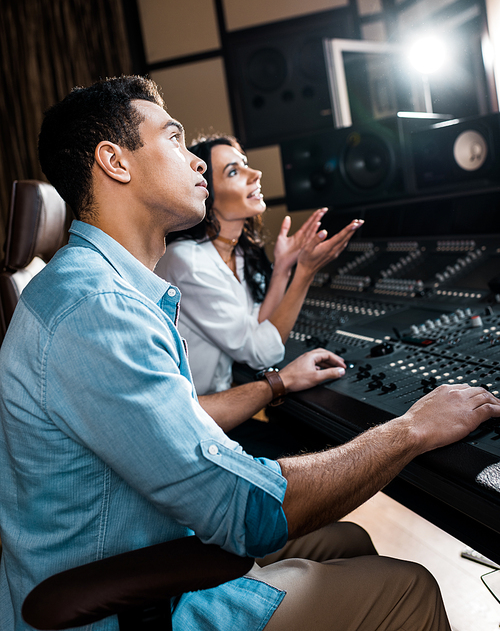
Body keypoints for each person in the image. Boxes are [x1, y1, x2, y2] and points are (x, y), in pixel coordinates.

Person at [0, 76, 499, 631]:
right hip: (124, 609)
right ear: (115, 162)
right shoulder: (96, 308)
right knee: (410, 589)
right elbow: (244, 514)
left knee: (350, 538)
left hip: (147, 553)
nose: (196, 163)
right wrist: (410, 430)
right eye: (174, 139)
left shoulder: (102, 289)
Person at [155, 134, 363, 396]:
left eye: (245, 163)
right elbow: (261, 353)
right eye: (233, 171)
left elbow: (255, 325)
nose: (255, 173)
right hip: (196, 414)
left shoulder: (237, 252)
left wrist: (284, 268)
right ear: (206, 193)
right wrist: (305, 273)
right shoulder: (187, 261)